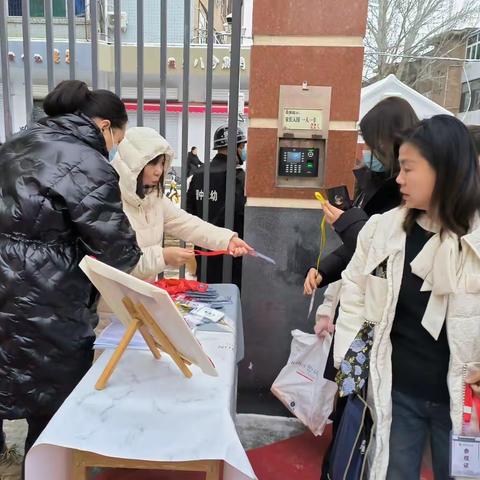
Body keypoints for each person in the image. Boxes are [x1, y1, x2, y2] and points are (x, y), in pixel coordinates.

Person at [0, 80, 141, 463]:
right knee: (51, 414)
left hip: (8, 289)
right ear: (105, 126)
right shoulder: (87, 163)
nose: (115, 147)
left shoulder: (14, 144)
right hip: (45, 304)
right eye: (119, 137)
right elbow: (117, 250)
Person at [334, 115, 480, 479]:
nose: (398, 178)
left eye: (408, 168)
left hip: (466, 401)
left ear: (444, 170)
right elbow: (353, 289)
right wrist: (351, 362)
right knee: (394, 471)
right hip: (398, 392)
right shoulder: (383, 229)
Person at [111, 127, 252, 281]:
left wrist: (226, 239)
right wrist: (163, 257)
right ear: (133, 164)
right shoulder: (110, 201)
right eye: (152, 164)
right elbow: (116, 262)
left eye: (162, 164)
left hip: (142, 295)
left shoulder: (155, 198)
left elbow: (186, 223)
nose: (159, 171)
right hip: (112, 300)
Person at [186, 125, 247, 288]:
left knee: (206, 295)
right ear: (236, 147)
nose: (243, 151)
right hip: (230, 250)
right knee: (229, 297)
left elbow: (188, 211)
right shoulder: (238, 177)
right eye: (242, 146)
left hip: (203, 249)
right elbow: (242, 214)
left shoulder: (199, 174)